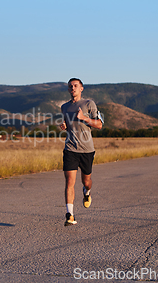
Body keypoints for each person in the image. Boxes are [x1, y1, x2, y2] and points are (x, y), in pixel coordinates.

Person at [59, 78, 103, 226]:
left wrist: (84, 118)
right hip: (70, 148)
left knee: (86, 181)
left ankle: (87, 191)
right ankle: (70, 215)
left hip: (87, 150)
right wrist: (65, 125)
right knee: (69, 182)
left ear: (81, 88)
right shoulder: (64, 107)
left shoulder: (89, 104)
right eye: (70, 86)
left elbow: (99, 125)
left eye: (75, 86)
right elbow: (68, 123)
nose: (73, 88)